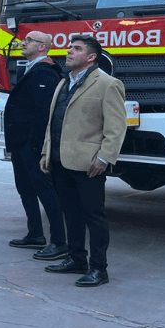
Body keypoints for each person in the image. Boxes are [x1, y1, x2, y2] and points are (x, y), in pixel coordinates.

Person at [41, 35, 126, 287]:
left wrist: (104, 158)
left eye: (76, 49)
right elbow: (53, 122)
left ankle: (99, 269)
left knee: (94, 217)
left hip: (89, 164)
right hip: (60, 161)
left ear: (91, 57)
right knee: (71, 214)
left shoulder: (108, 84)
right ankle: (77, 259)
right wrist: (47, 153)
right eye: (69, 48)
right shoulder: (63, 82)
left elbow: (116, 127)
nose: (69, 52)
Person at [3, 31, 67, 260]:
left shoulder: (45, 73)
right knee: (25, 189)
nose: (23, 42)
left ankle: (59, 241)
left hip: (31, 145)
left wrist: (36, 147)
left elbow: (42, 114)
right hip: (20, 142)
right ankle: (35, 234)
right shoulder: (29, 69)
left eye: (29, 40)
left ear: (42, 47)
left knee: (45, 191)